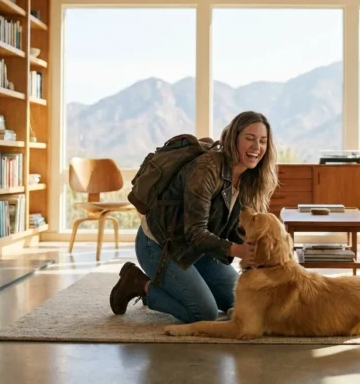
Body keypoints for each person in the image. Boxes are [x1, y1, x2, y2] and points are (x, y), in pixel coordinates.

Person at [110, 111, 279, 323]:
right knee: (203, 313)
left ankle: (188, 285)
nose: (257, 147)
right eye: (250, 138)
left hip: (201, 250)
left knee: (243, 303)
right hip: (162, 245)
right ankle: (139, 284)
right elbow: (194, 232)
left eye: (263, 141)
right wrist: (237, 250)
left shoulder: (250, 178)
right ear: (233, 137)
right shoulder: (206, 169)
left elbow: (234, 228)